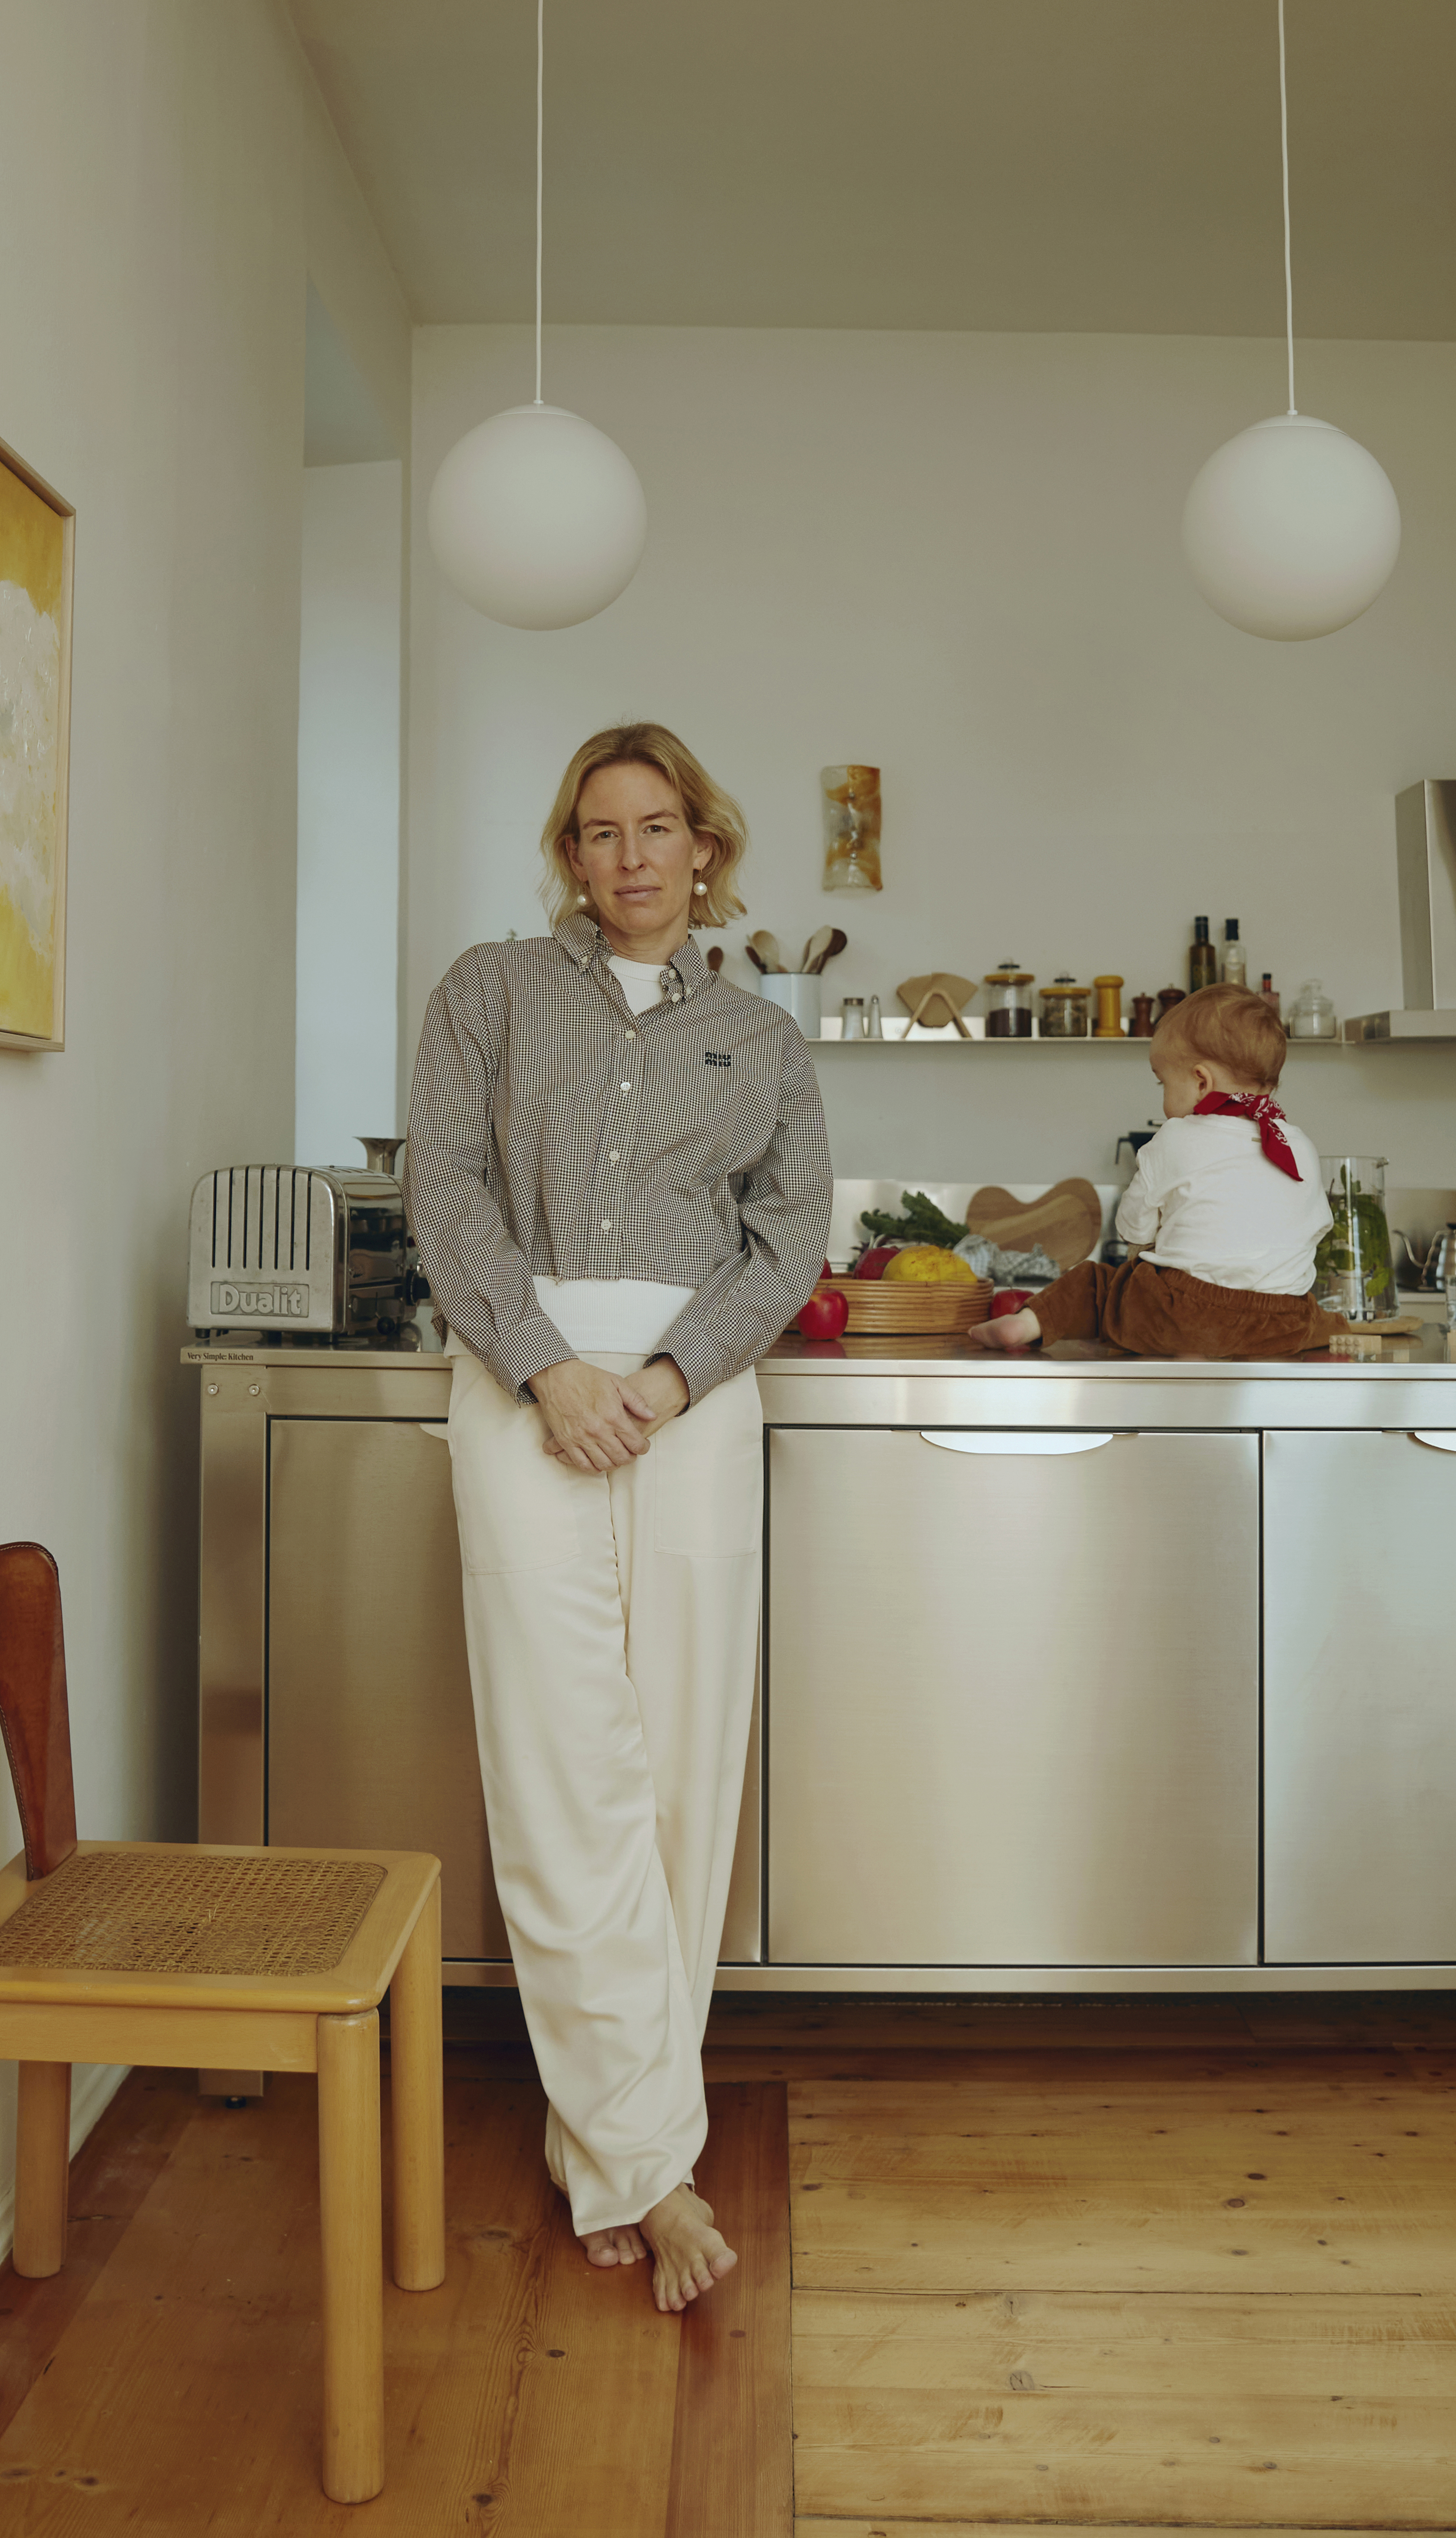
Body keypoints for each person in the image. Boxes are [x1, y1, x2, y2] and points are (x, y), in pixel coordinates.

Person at [405, 722, 832, 2313]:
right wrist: (544, 1370)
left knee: (674, 1762)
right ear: (569, 855)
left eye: (660, 828)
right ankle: (649, 2165)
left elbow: (786, 1240)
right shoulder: (488, 994)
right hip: (522, 1395)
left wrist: (660, 1380)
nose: (632, 856)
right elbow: (446, 1194)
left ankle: (616, 2141)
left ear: (705, 847)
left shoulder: (764, 1042)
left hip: (692, 1406)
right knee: (559, 1758)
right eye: (600, 832)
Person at [970, 983, 1334, 1359]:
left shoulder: (1177, 1137)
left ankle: (1027, 1324)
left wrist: (1143, 1257)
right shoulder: (1297, 1144)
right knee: (1317, 1314)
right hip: (1281, 1324)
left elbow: (1133, 1228)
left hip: (1184, 1318)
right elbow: (1317, 1228)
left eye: (1163, 1082)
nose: (1162, 1095)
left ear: (1201, 1082)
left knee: (1096, 1287)